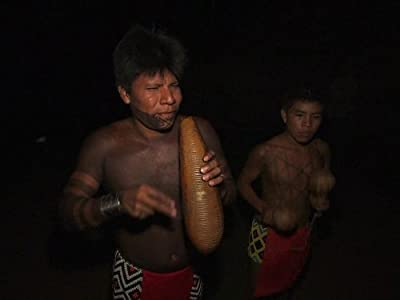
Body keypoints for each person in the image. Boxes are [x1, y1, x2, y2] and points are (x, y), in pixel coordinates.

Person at [58, 25, 236, 300]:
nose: (169, 99)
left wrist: (219, 187)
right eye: (153, 88)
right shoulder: (104, 145)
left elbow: (231, 196)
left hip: (193, 272)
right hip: (135, 276)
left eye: (174, 85)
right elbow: (68, 214)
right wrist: (117, 203)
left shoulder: (201, 131)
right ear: (125, 94)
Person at [237, 88, 335, 299]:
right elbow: (242, 183)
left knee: (288, 283)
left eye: (315, 117)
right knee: (259, 290)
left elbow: (321, 183)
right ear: (285, 115)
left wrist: (320, 200)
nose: (307, 124)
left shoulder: (321, 149)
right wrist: (265, 209)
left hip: (303, 230)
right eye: (299, 115)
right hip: (267, 231)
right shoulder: (265, 151)